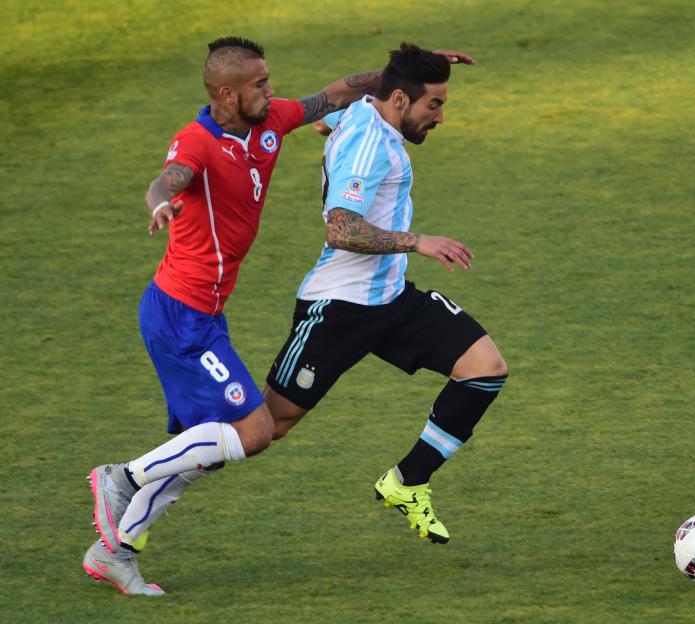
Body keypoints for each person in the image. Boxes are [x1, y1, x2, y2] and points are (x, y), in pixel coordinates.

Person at [82, 36, 472, 597]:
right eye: (260, 84)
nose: (271, 90)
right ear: (227, 94)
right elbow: (170, 177)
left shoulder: (269, 123)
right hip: (180, 315)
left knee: (213, 443)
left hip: (207, 315)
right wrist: (160, 202)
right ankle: (120, 478)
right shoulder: (197, 141)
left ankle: (113, 551)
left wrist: (411, 69)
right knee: (254, 431)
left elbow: (338, 93)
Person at [263, 42, 508, 545]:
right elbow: (341, 228)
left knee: (485, 368)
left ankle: (407, 481)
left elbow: (327, 111)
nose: (440, 117)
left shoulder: (362, 110)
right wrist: (418, 241)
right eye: (433, 104)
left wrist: (408, 67)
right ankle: (144, 479)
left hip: (390, 299)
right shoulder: (369, 144)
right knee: (265, 428)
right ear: (399, 99)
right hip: (340, 307)